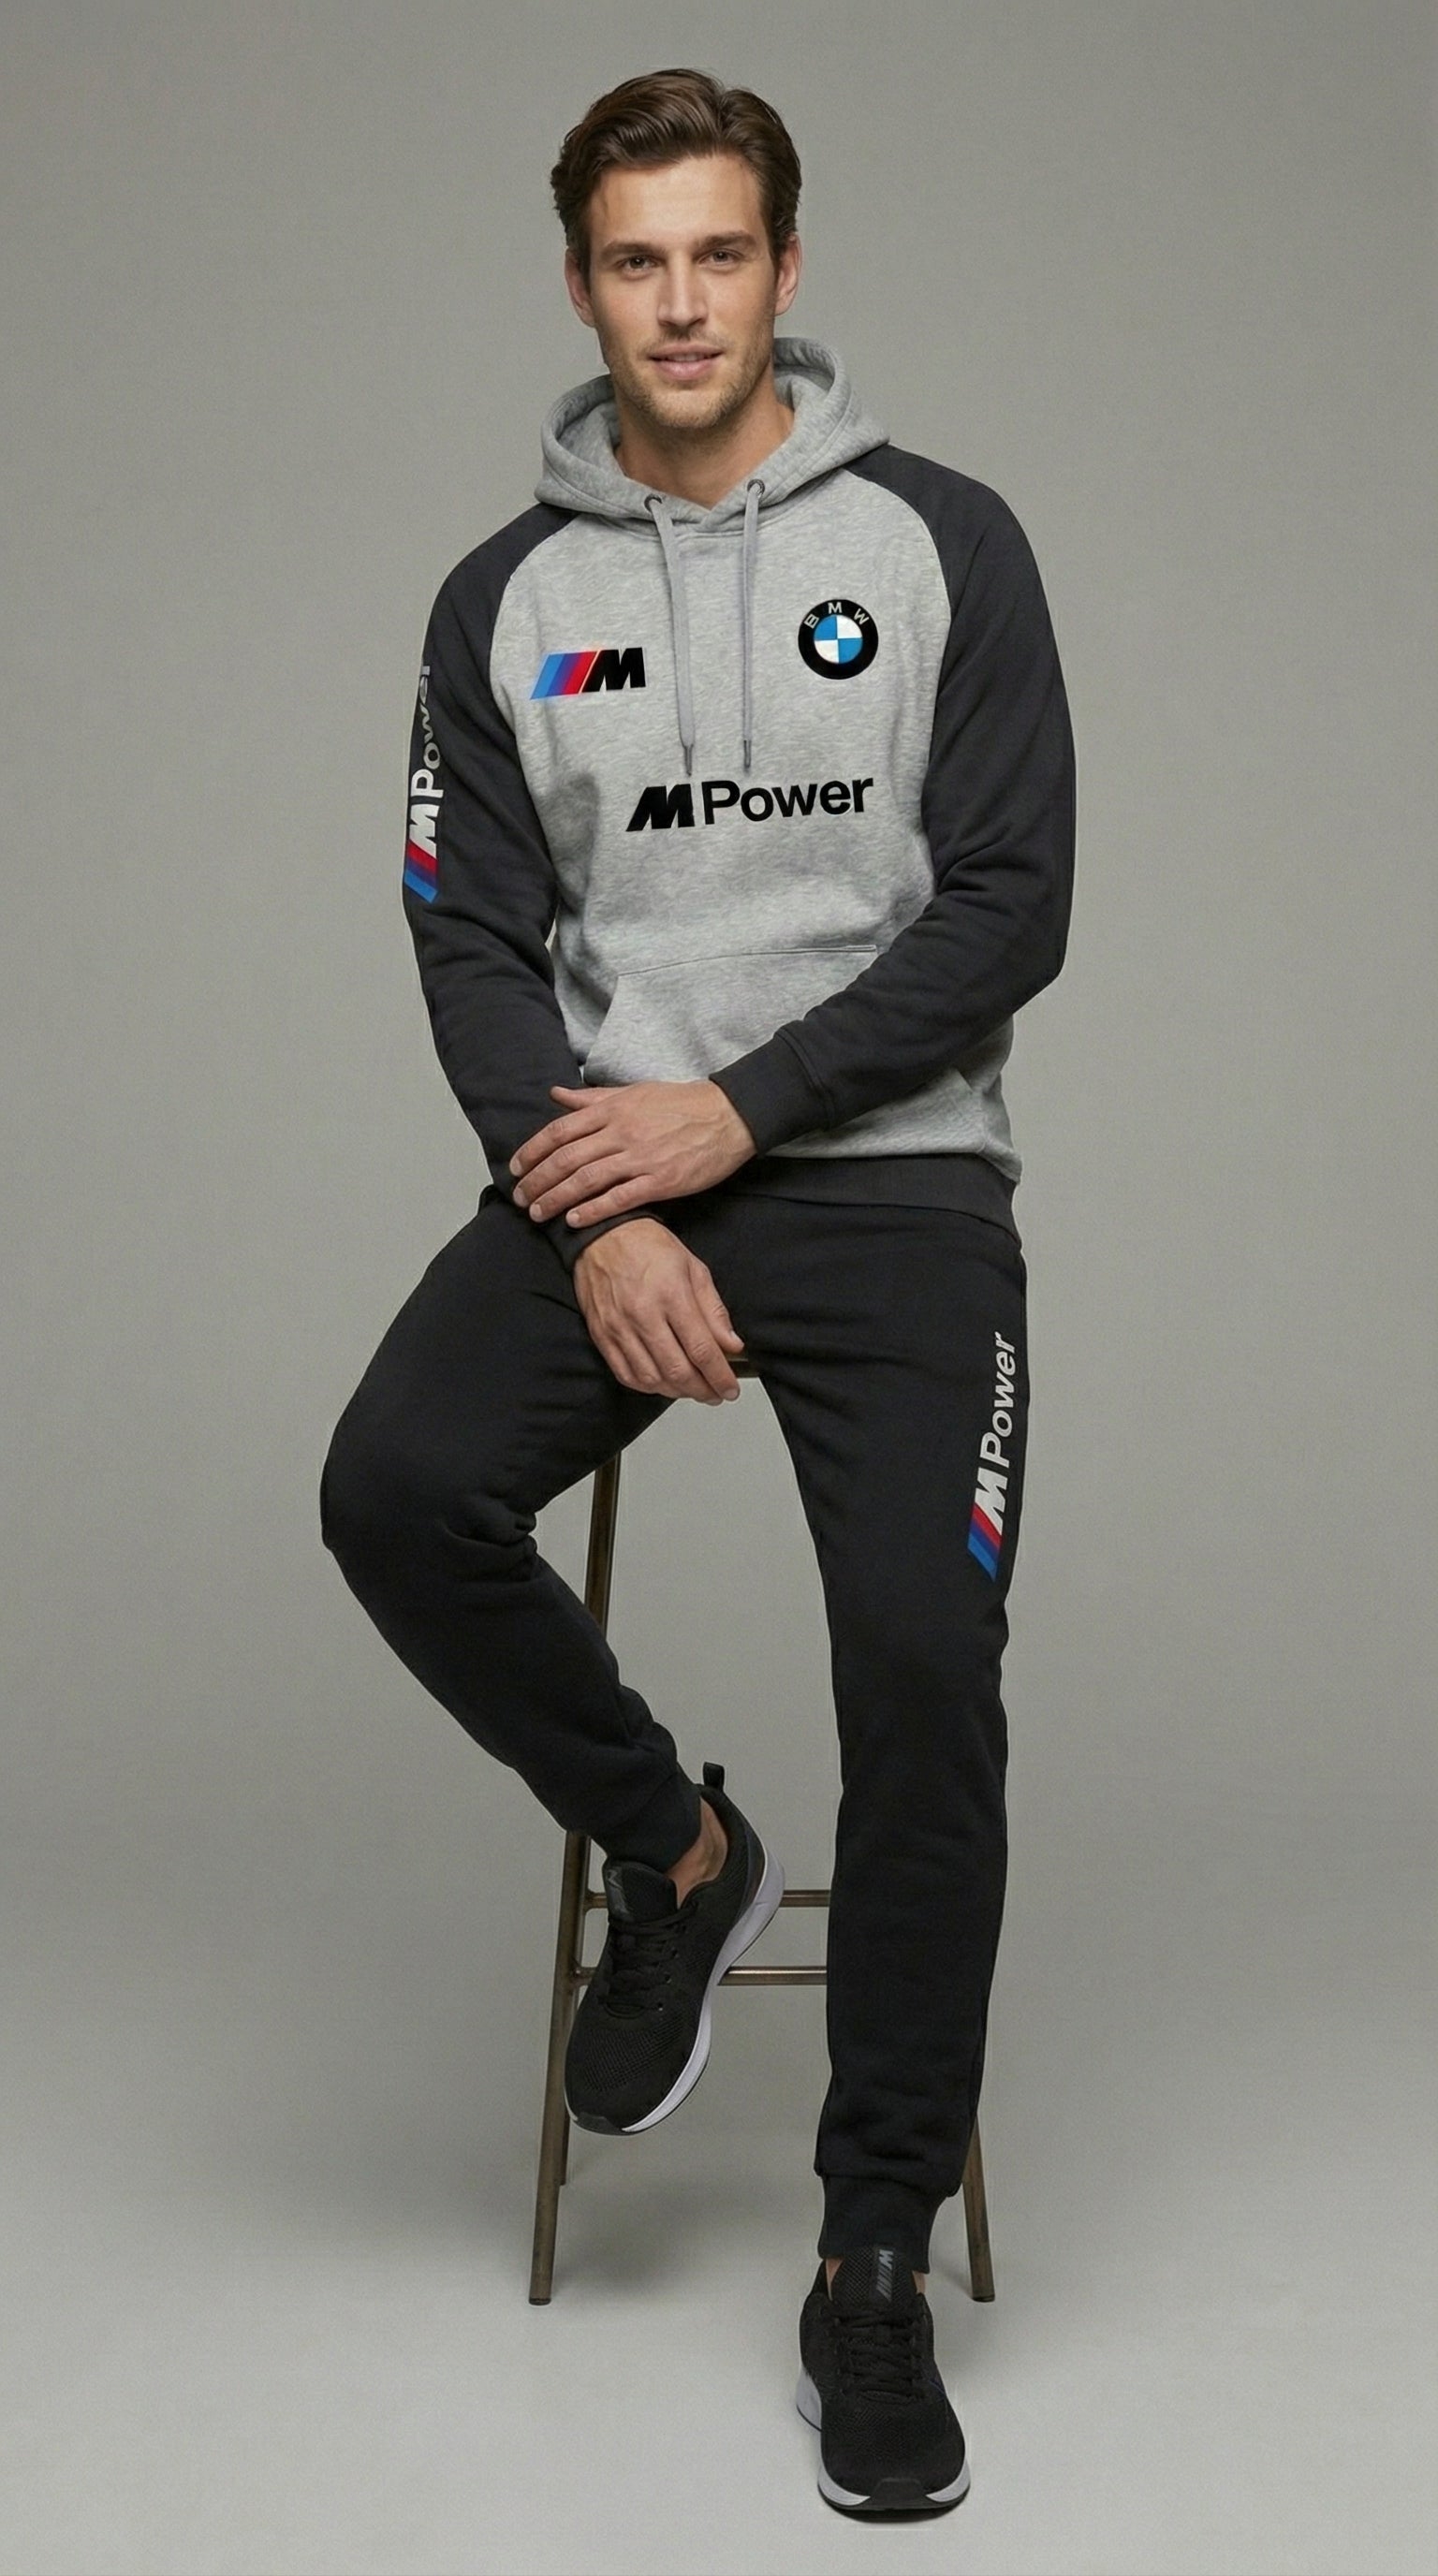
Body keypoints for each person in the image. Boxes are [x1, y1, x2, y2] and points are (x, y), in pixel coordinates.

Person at [320, 66, 1075, 2518]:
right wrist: (604, 1205)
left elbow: (1012, 905)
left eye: (719, 253)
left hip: (893, 1183)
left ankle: (868, 2262)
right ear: (580, 285)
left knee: (927, 1667)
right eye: (636, 261)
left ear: (785, 267)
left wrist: (731, 1120)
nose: (679, 302)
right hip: (612, 1180)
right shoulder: (501, 603)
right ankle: (676, 1855)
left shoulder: (946, 542)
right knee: (396, 1489)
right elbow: (468, 941)